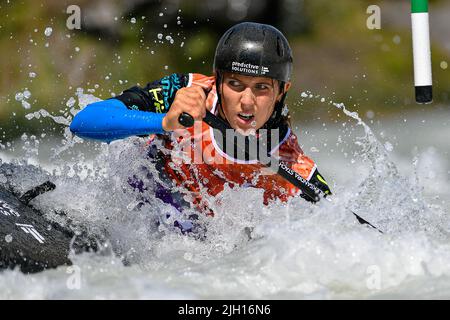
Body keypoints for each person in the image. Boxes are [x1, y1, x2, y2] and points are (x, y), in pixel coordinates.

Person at [70, 22, 331, 233]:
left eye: (262, 87)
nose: (247, 102)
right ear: (217, 82)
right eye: (235, 84)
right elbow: (84, 121)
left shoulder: (294, 168)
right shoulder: (183, 92)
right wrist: (163, 122)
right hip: (124, 215)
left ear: (281, 91)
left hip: (188, 251)